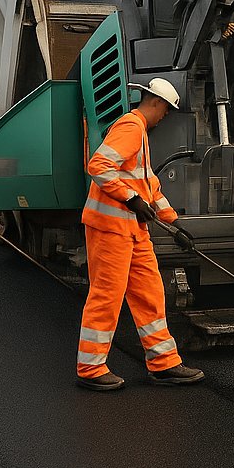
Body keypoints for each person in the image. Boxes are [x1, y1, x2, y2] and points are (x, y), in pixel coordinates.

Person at [76, 78, 204, 391]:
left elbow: (148, 185)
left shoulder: (141, 135)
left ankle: (163, 363)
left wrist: (172, 223)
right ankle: (90, 368)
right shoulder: (131, 127)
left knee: (150, 294)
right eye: (166, 111)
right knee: (106, 297)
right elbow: (99, 165)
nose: (165, 118)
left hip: (133, 231)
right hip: (110, 228)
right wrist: (129, 198)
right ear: (156, 103)